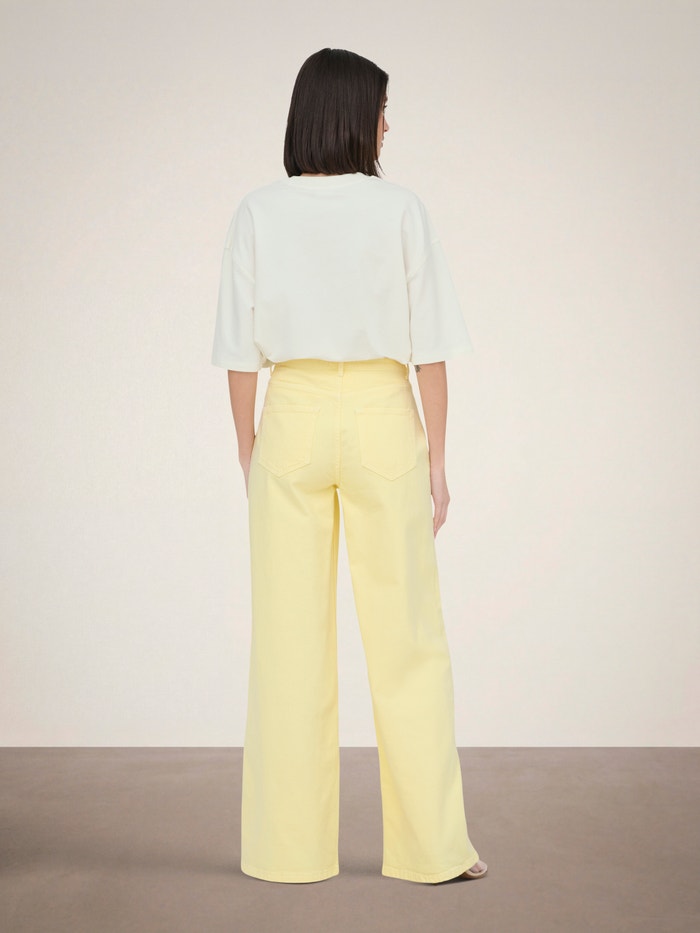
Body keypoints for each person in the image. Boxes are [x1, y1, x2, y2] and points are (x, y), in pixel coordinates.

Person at [211, 47, 488, 885]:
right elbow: (430, 348)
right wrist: (439, 461)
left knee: (287, 643)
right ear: (353, 114)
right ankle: (432, 851)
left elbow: (239, 353)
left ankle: (286, 851)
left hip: (290, 414)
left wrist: (249, 452)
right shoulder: (400, 209)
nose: (388, 124)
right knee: (409, 640)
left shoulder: (257, 211)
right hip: (380, 414)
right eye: (382, 108)